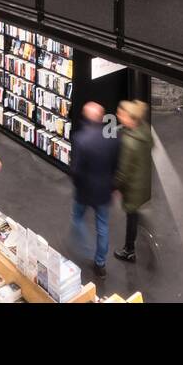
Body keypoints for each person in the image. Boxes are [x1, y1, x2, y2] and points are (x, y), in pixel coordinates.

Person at [69, 101, 119, 278]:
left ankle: (87, 248)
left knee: (77, 219)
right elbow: (115, 165)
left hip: (84, 191)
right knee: (103, 227)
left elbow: (76, 169)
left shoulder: (80, 139)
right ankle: (100, 263)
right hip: (104, 190)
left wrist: (76, 184)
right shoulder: (112, 138)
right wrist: (113, 186)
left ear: (85, 116)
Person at [113, 100, 153, 263]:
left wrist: (114, 187)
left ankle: (129, 250)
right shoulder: (144, 130)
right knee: (135, 212)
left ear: (131, 118)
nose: (118, 116)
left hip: (132, 188)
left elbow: (123, 172)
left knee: (131, 216)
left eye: (121, 114)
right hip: (143, 182)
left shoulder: (130, 142)